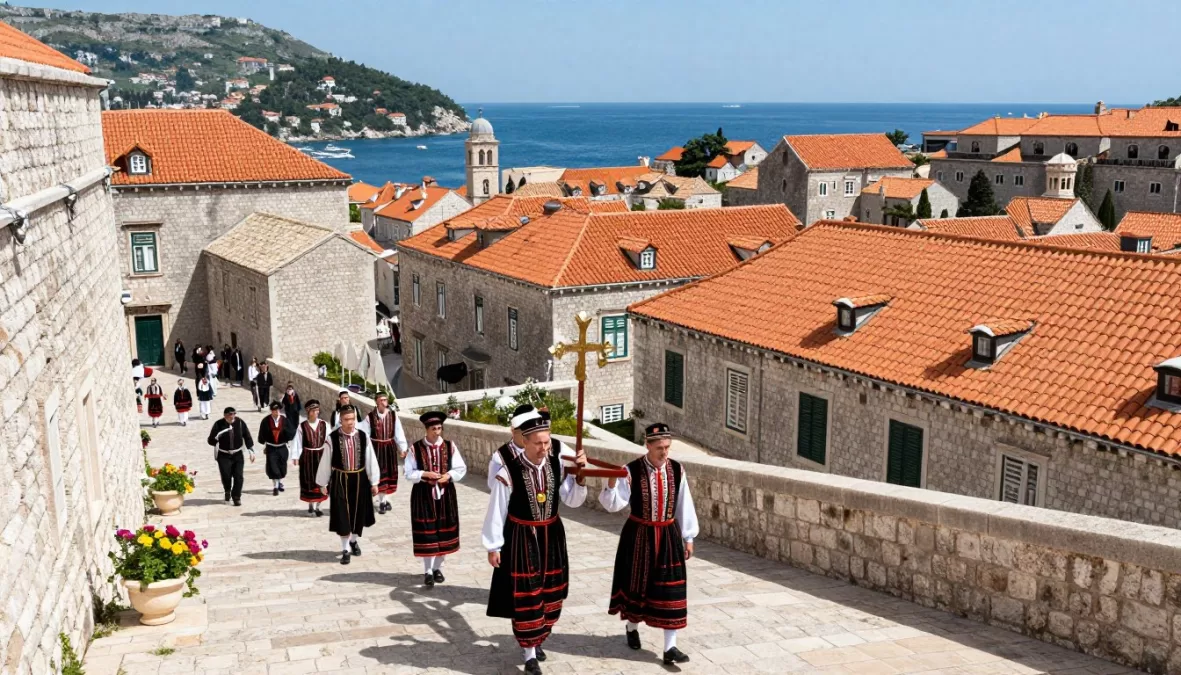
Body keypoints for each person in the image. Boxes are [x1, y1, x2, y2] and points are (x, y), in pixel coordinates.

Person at [483, 409, 587, 674]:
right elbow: (497, 508)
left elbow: (573, 500)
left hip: (552, 536)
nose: (544, 448)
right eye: (538, 443)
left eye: (547, 442)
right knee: (527, 594)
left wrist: (580, 478)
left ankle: (540, 636)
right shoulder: (508, 472)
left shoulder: (557, 464)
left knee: (552, 592)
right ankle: (529, 653)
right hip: (521, 538)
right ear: (525, 442)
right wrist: (494, 545)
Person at [599, 423, 697, 665]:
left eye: (667, 447)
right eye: (659, 448)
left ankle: (670, 648)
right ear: (647, 445)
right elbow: (613, 505)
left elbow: (684, 503)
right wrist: (610, 484)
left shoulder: (677, 470)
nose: (664, 453)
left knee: (670, 589)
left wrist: (689, 537)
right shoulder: (630, 470)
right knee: (637, 586)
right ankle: (632, 628)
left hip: (668, 536)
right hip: (639, 535)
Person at [407, 411, 467, 586]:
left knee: (444, 530)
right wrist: (424, 473)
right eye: (434, 429)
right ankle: (427, 571)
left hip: (446, 495)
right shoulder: (416, 448)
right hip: (423, 496)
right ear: (426, 429)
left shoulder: (450, 446)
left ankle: (438, 568)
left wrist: (448, 475)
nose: (437, 432)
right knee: (427, 533)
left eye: (440, 428)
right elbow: (408, 473)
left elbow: (460, 468)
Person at [315, 405, 378, 565]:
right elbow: (326, 460)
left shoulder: (363, 437)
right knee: (343, 515)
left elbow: (370, 459)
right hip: (340, 480)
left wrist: (374, 481)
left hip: (360, 479)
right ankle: (345, 549)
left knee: (358, 514)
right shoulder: (332, 438)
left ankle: (353, 540)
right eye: (346, 419)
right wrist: (323, 482)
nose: (350, 422)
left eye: (352, 419)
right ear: (340, 420)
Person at [359, 391, 408, 514]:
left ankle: (385, 498)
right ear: (376, 402)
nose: (384, 402)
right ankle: (382, 502)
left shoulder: (393, 416)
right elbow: (364, 433)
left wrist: (403, 448)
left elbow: (398, 432)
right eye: (381, 400)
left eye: (385, 399)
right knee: (378, 474)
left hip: (390, 448)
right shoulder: (370, 417)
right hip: (376, 449)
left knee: (390, 474)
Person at [207, 407, 255, 506]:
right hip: (224, 455)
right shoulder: (218, 424)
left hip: (237, 454)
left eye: (233, 414)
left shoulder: (240, 423)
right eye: (229, 414)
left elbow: (247, 436)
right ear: (225, 415)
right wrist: (216, 438)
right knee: (226, 476)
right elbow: (210, 440)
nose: (232, 416)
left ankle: (236, 497)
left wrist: (251, 450)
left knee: (239, 477)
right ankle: (227, 490)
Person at [292, 399, 329, 517]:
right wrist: (296, 456)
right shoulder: (302, 426)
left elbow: (329, 441)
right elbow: (297, 442)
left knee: (321, 480)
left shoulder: (324, 424)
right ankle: (310, 505)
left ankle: (319, 506)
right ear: (309, 412)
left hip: (321, 455)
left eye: (318, 410)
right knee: (309, 480)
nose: (317, 412)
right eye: (314, 410)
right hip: (307, 457)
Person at [259, 402, 294, 495]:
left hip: (282, 447)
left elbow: (291, 431)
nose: (277, 412)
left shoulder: (284, 420)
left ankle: (279, 482)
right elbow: (262, 433)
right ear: (271, 411)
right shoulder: (266, 421)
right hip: (271, 448)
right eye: (275, 410)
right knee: (273, 467)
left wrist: (285, 434)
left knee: (282, 467)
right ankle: (275, 486)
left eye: (278, 410)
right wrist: (265, 441)